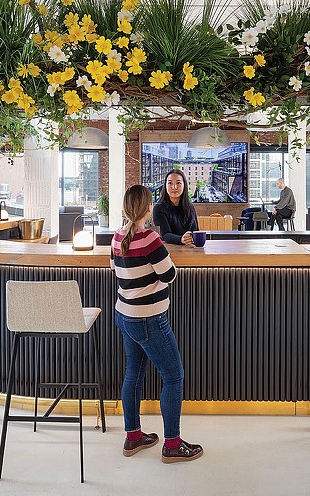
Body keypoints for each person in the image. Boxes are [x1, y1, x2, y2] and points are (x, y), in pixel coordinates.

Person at [111, 184, 203, 463]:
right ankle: (172, 444)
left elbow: (116, 270)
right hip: (149, 318)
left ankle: (133, 436)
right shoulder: (150, 238)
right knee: (173, 376)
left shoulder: (117, 237)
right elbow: (169, 275)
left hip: (125, 315)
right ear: (147, 208)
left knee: (133, 375)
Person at [152, 169, 199, 245]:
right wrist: (181, 239)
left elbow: (196, 231)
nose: (174, 187)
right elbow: (165, 235)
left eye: (178, 183)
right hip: (169, 252)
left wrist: (190, 235)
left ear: (184, 185)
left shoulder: (190, 207)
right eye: (170, 183)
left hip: (190, 250)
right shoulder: (159, 208)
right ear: (165, 186)